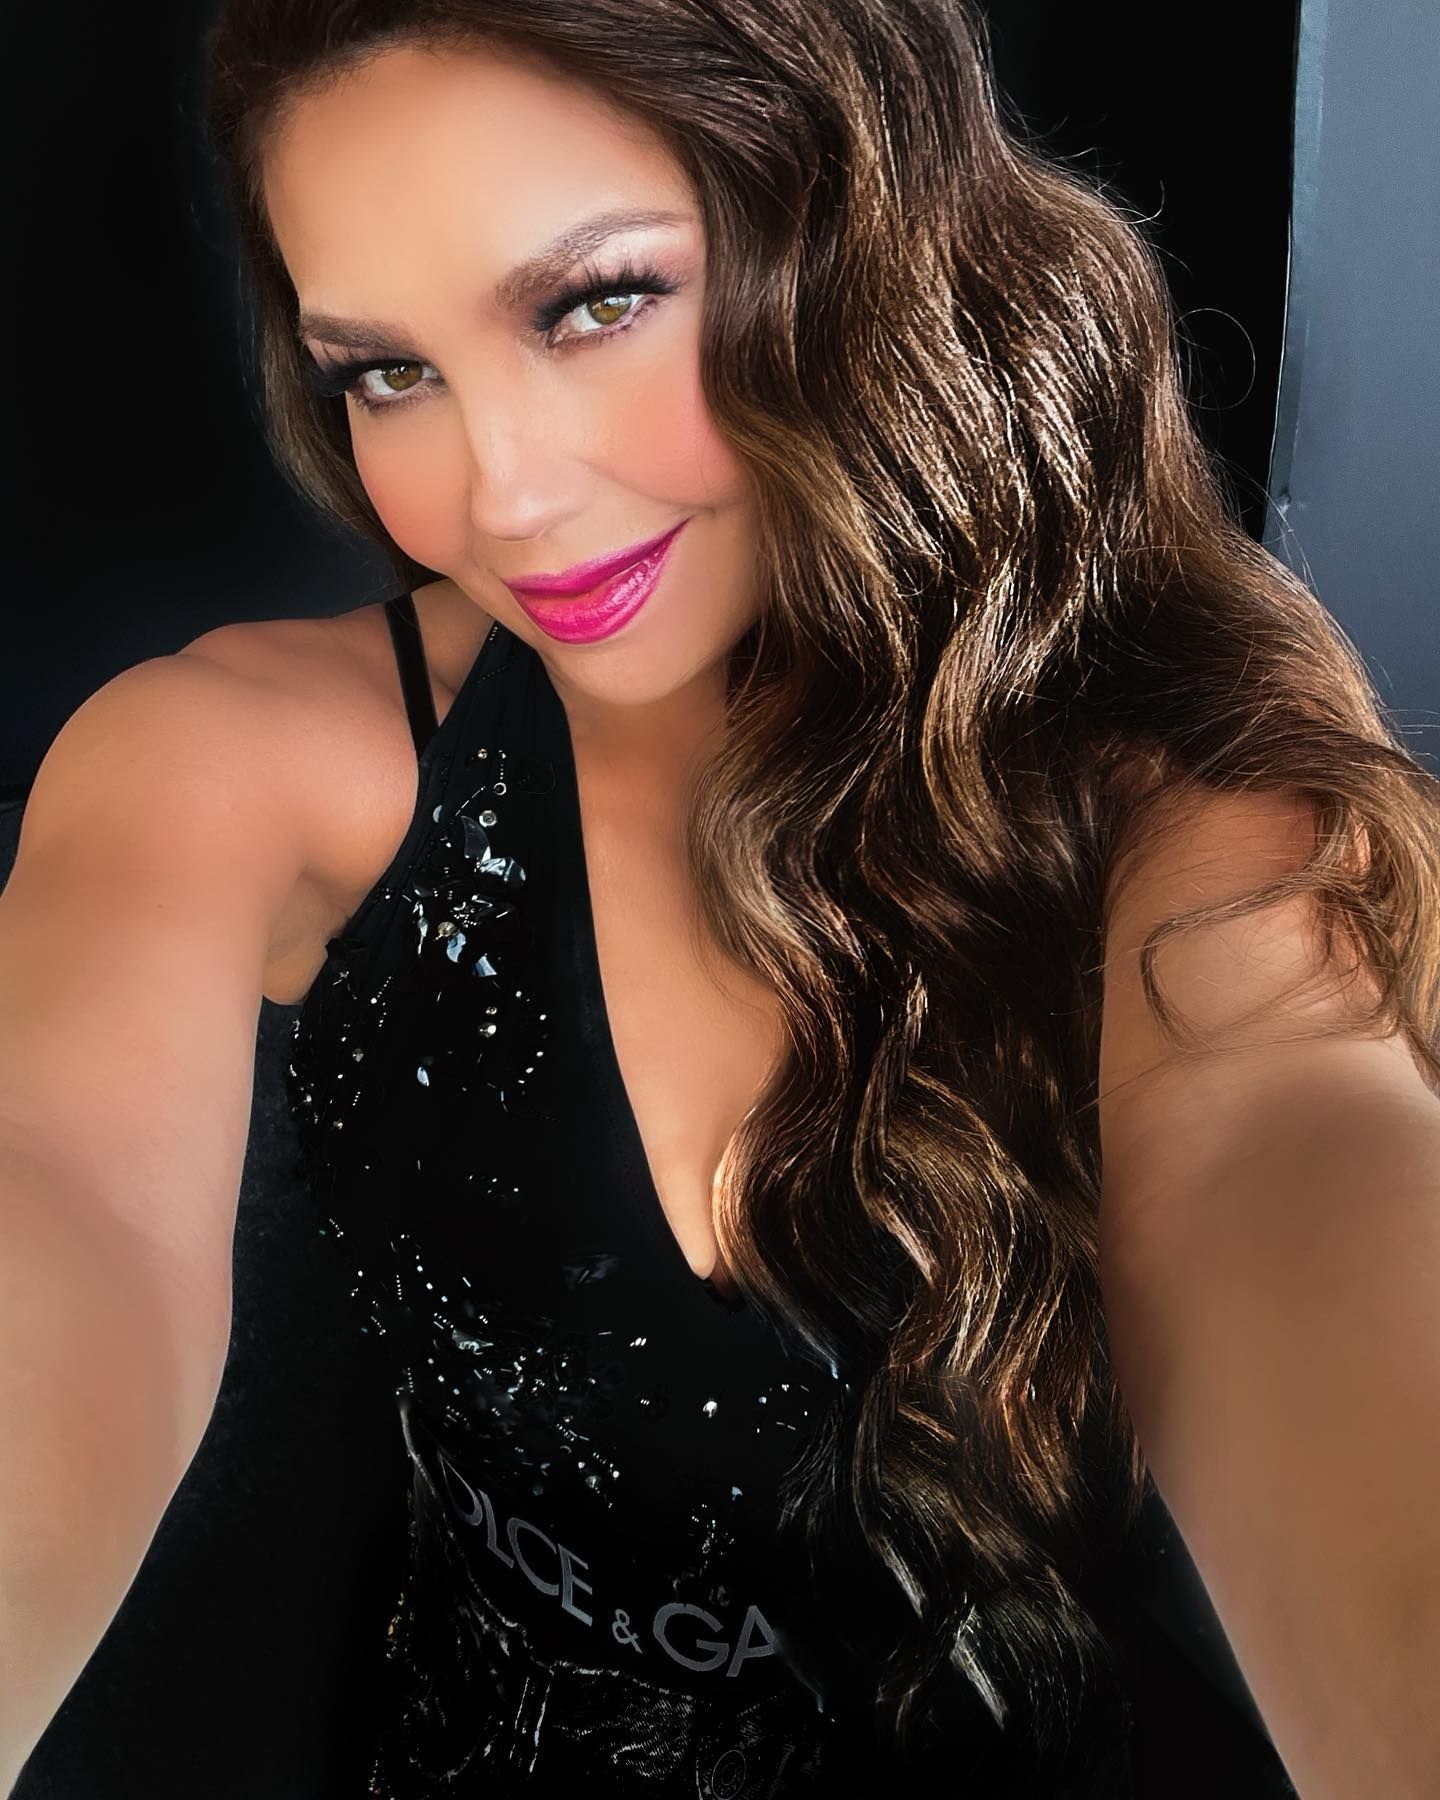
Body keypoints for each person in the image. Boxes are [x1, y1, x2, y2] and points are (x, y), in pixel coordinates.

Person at [3, 1, 1438, 1796]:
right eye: (389, 374)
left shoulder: (1195, 828)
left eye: (598, 303)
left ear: (857, 234)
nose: (505, 495)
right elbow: (52, 1198)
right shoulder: (241, 760)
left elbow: (1294, 1168)